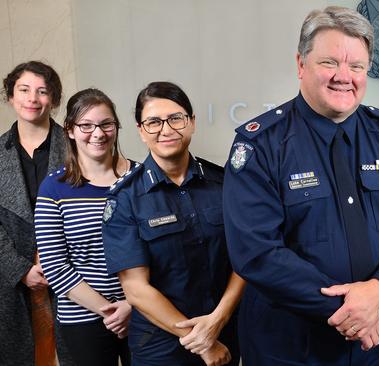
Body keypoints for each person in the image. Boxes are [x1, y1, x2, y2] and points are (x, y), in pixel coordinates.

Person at [222, 6, 379, 365]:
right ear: (300, 64)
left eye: (356, 66)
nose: (344, 76)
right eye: (330, 63)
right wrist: (354, 311)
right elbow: (255, 251)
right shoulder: (261, 145)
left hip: (367, 347)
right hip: (289, 346)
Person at [102, 81, 244, 366]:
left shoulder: (225, 184)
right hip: (160, 346)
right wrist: (203, 341)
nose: (166, 130)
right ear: (141, 131)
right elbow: (136, 290)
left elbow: (245, 258)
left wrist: (218, 321)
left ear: (192, 123)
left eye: (176, 118)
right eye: (153, 122)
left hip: (226, 331)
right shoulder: (126, 198)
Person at [35, 88, 133, 366]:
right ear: (70, 130)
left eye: (106, 124)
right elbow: (55, 265)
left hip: (142, 311)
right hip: (81, 317)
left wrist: (131, 305)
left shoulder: (139, 179)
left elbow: (161, 252)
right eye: (86, 125)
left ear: (116, 127)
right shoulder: (54, 187)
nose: (98, 133)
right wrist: (109, 311)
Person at [0, 61, 73, 366]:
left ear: (54, 100)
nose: (32, 99)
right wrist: (19, 269)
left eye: (42, 91)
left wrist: (56, 263)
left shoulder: (77, 146)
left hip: (73, 271)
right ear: (10, 97)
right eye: (24, 90)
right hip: (10, 280)